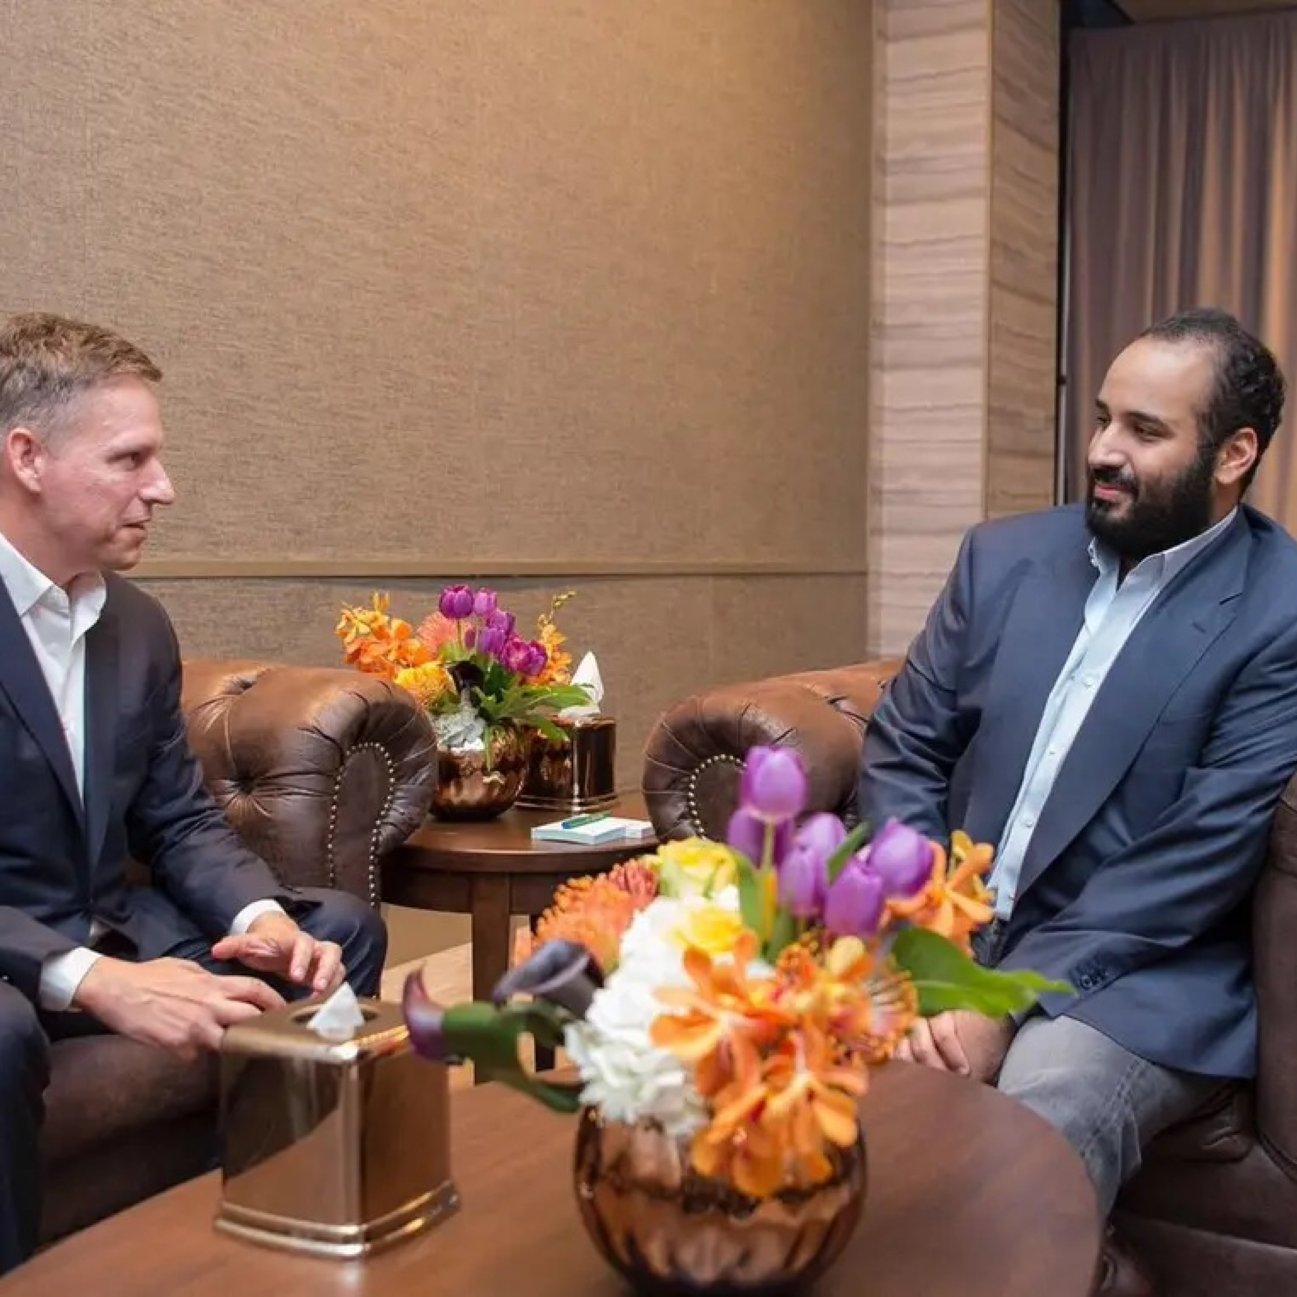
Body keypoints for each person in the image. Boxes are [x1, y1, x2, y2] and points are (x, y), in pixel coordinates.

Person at [860, 308, 1297, 1285]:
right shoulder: (1002, 557)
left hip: (1139, 968)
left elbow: (1196, 855)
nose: (1102, 449)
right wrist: (930, 938)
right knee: (754, 1032)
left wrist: (1003, 999)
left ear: (1233, 453)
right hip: (944, 919)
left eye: (1144, 431)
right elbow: (903, 747)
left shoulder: (1280, 610)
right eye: (1103, 417)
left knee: (1035, 1111)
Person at [0, 312, 387, 1274]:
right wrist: (91, 979)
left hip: (108, 918)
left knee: (334, 934)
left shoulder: (134, 624)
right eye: (129, 460)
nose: (161, 490)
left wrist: (261, 913)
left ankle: (276, 1232)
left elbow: (174, 817)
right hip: (15, 957)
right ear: (27, 457)